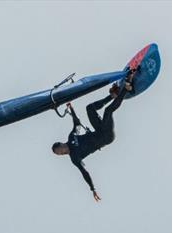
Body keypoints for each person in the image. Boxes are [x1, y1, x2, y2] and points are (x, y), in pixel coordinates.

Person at [52, 69, 135, 202]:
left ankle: (112, 96)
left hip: (99, 130)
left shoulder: (71, 138)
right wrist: (93, 188)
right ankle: (126, 88)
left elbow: (77, 124)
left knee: (89, 108)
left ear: (61, 145)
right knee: (108, 112)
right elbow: (84, 172)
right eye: (60, 154)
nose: (62, 153)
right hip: (106, 137)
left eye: (60, 150)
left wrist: (71, 109)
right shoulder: (74, 157)